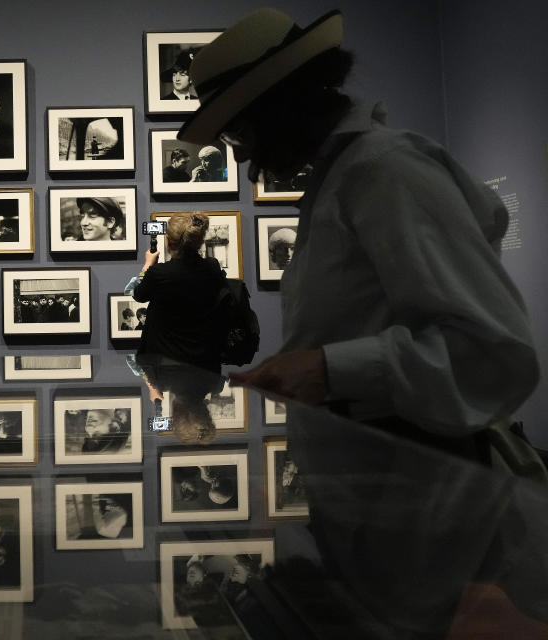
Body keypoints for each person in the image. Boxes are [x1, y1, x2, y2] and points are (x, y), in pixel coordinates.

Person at [177, 7, 543, 633]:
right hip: (390, 502)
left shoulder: (383, 169)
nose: (242, 162)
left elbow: (493, 351)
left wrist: (325, 367)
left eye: (239, 137)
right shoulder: (346, 177)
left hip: (429, 500)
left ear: (277, 107)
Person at [129, 211, 228, 372]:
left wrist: (147, 265)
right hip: (205, 359)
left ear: (168, 241)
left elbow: (139, 295)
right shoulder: (212, 267)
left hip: (165, 361)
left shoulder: (159, 272)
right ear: (199, 241)